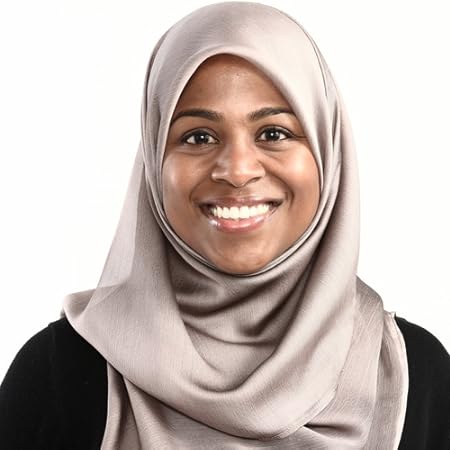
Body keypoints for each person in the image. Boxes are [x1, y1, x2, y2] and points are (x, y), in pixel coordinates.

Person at [0, 2, 449, 449]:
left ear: (327, 151)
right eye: (198, 137)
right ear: (154, 161)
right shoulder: (59, 375)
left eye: (273, 133)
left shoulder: (417, 377)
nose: (237, 170)